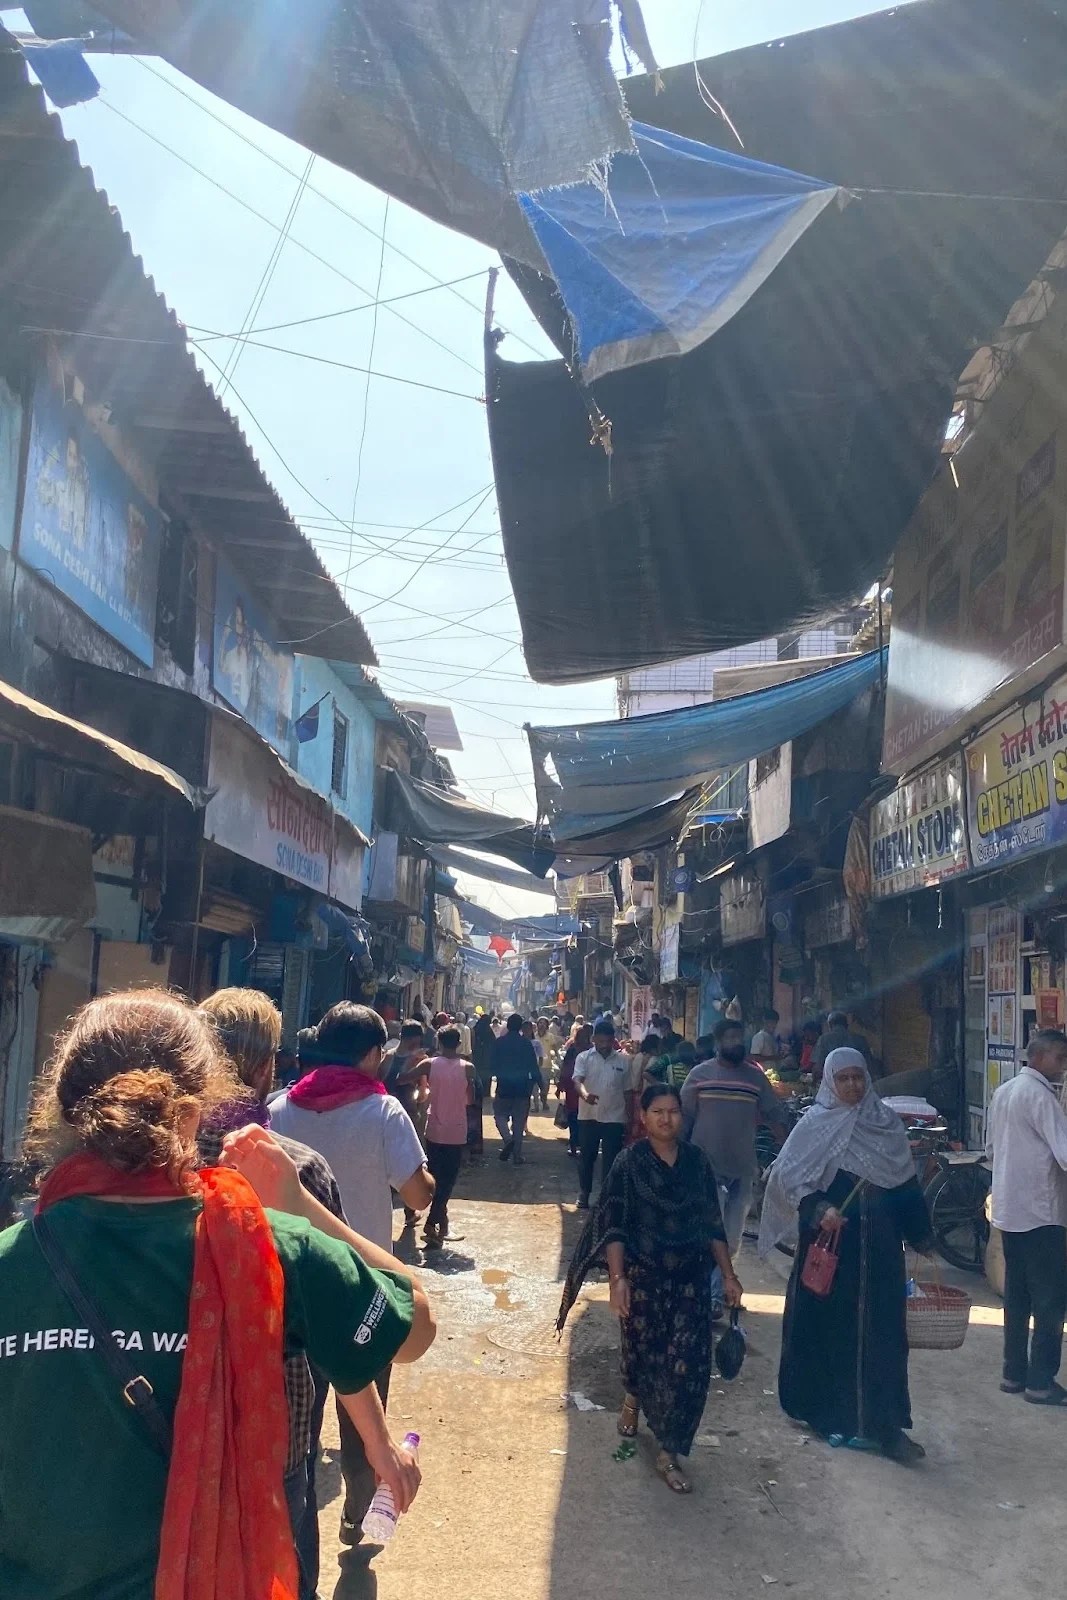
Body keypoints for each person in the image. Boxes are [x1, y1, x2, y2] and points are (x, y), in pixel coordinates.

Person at [0, 989, 434, 1600]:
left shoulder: (14, 1258)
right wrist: (302, 1205)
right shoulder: (269, 1247)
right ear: (192, 1113)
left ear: (67, 1112)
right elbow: (415, 1324)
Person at [270, 1003, 435, 1559]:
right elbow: (418, 1195)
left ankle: (294, 1527)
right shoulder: (384, 1111)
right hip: (364, 1290)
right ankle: (357, 1511)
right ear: (370, 1055)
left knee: (297, 1413)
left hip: (288, 1283)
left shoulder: (277, 1110)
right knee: (365, 1412)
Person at [197, 988, 346, 1600]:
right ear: (264, 1069)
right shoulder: (299, 1170)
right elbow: (340, 1302)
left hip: (179, 1407)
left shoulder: (154, 1163)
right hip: (278, 1418)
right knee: (285, 1565)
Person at [558, 1084, 742, 1494]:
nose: (666, 1119)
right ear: (642, 1117)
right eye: (657, 1111)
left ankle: (669, 1450)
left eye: (673, 1111)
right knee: (642, 1352)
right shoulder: (629, 1163)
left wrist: (728, 1275)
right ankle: (633, 1397)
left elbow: (712, 1222)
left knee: (688, 1365)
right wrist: (618, 1279)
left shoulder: (697, 1162)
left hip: (691, 1281)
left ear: (682, 1116)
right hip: (643, 1280)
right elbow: (615, 1226)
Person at [758, 1048, 933, 1463]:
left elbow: (905, 1185)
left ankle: (886, 1427)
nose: (852, 1085)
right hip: (833, 1253)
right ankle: (829, 1414)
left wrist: (921, 1234)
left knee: (884, 1335)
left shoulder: (885, 1124)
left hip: (881, 1253)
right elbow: (787, 1179)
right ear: (830, 1082)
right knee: (831, 1331)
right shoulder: (816, 1125)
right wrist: (819, 1209)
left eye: (858, 1077)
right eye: (844, 1078)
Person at [680, 1017, 790, 1311]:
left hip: (743, 1169)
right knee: (710, 1234)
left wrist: (787, 1148)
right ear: (718, 1042)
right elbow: (684, 1119)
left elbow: (774, 1114)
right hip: (706, 1168)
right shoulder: (699, 1076)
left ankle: (719, 1289)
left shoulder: (755, 1078)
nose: (736, 1043)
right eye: (730, 1038)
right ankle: (712, 1296)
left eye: (739, 1038)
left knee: (732, 1237)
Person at [986, 1028, 1067, 1404]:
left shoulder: (1003, 1092)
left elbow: (991, 1148)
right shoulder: (1040, 1096)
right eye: (1059, 1058)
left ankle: (1012, 1373)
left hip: (1010, 1210)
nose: (1063, 1066)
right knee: (1049, 1301)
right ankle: (1040, 1382)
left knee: (1016, 1297)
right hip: (1041, 1213)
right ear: (1038, 1057)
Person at [573, 1018, 638, 1210]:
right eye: (601, 1041)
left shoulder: (623, 1061)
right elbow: (577, 1081)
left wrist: (630, 1117)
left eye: (608, 1041)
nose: (604, 1045)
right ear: (593, 1039)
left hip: (615, 1117)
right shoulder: (584, 1058)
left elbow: (628, 1091)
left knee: (611, 1159)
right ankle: (584, 1193)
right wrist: (585, 1095)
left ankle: (606, 1197)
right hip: (588, 1115)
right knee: (587, 1157)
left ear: (613, 1040)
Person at [423, 1026, 476, 1249]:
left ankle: (439, 1224)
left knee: (435, 1177)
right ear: (459, 1043)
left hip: (434, 1129)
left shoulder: (429, 1064)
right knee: (448, 1180)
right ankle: (432, 1222)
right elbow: (471, 1099)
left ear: (439, 1042)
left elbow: (402, 1077)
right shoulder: (468, 1068)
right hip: (456, 1130)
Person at [490, 1013, 542, 1165]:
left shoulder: (499, 1043)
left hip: (504, 1087)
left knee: (499, 1116)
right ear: (520, 1027)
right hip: (522, 1088)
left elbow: (492, 1064)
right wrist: (540, 1083)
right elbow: (533, 1066)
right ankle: (517, 1156)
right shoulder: (526, 1043)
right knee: (519, 1123)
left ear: (508, 1025)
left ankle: (508, 1140)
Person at [557, 1022, 592, 1157]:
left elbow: (565, 1067)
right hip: (583, 1086)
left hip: (573, 1086)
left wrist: (561, 1084)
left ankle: (574, 1145)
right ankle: (580, 1145)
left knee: (574, 1116)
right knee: (581, 1117)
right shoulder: (591, 1050)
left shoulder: (575, 1049)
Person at [811, 1010, 870, 1082]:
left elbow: (818, 1066)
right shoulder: (860, 1039)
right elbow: (869, 1064)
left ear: (830, 1025)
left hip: (834, 1081)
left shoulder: (823, 1039)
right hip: (856, 1080)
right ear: (846, 1025)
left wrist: (814, 1082)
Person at [470, 1012, 496, 1156]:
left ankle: (480, 1091)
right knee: (486, 1078)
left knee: (479, 1077)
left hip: (477, 1059)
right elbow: (493, 1045)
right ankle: (486, 1092)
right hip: (487, 1060)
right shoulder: (489, 1032)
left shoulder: (476, 1029)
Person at [523, 1018, 548, 1111]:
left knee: (535, 1088)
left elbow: (541, 1056)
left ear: (531, 1030)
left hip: (534, 1068)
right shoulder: (520, 1042)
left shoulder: (536, 1043)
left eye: (528, 1029)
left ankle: (536, 1105)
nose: (526, 1031)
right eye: (525, 1029)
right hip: (522, 1069)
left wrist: (539, 1067)